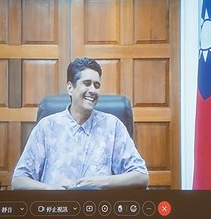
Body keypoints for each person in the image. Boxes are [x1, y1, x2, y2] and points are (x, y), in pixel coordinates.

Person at [12, 57, 149, 190]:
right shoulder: (47, 127)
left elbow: (141, 176)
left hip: (99, 209)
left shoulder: (112, 126)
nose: (93, 91)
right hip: (57, 208)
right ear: (70, 88)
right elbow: (19, 180)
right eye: (87, 83)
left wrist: (103, 182)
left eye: (97, 85)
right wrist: (50, 189)